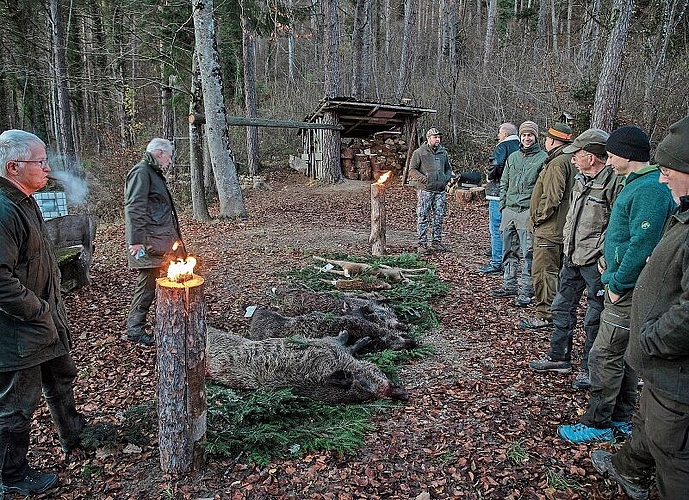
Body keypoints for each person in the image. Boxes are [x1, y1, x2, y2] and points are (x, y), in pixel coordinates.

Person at [591, 115, 689, 500]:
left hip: (673, 366)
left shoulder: (651, 191)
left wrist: (650, 339)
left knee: (674, 451)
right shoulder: (681, 210)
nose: (662, 180)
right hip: (661, 368)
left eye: (668, 172)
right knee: (649, 423)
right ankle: (628, 469)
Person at [558, 125, 676, 444]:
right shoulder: (637, 183)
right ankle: (621, 418)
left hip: (626, 290)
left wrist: (616, 282)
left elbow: (643, 243)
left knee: (605, 353)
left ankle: (598, 422)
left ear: (626, 155)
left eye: (610, 155)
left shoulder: (649, 189)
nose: (607, 161)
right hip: (625, 283)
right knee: (623, 355)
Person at [0, 129, 85, 495]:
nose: (48, 167)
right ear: (13, 166)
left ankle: (75, 437)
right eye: (40, 161)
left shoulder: (25, 199)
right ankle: (11, 476)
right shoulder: (4, 210)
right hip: (18, 330)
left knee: (61, 377)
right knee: (16, 408)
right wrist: (36, 309)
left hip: (43, 322)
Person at [528, 129, 623, 390]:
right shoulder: (582, 178)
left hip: (595, 262)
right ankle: (559, 357)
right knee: (561, 307)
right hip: (572, 257)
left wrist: (601, 254)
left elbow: (616, 226)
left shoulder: (614, 183)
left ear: (591, 158)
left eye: (577, 155)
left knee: (594, 317)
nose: (572, 160)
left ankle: (589, 368)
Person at [124, 138, 185, 345]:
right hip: (149, 243)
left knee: (165, 281)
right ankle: (134, 330)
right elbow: (134, 206)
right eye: (169, 157)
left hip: (160, 240)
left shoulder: (153, 173)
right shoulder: (142, 172)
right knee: (147, 286)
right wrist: (136, 241)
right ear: (159, 153)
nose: (170, 161)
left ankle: (173, 321)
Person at [520, 123, 575, 328]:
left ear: (551, 140)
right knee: (557, 273)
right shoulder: (571, 159)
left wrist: (537, 219)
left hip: (550, 230)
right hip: (562, 229)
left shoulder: (557, 162)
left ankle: (545, 316)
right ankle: (557, 313)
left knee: (544, 273)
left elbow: (552, 197)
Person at [491, 120, 547, 306]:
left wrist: (535, 211)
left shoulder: (543, 158)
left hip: (527, 212)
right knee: (508, 249)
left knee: (529, 252)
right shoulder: (513, 157)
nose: (526, 138)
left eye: (530, 135)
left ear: (536, 137)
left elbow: (543, 188)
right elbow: (504, 182)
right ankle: (509, 285)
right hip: (509, 210)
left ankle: (526, 290)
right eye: (524, 135)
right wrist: (503, 205)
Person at [479, 123, 520, 274]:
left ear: (505, 134)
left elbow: (495, 165)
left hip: (498, 193)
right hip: (516, 194)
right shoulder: (523, 146)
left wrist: (490, 178)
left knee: (496, 228)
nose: (498, 136)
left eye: (499, 133)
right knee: (512, 230)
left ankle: (496, 262)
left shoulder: (502, 146)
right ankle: (509, 263)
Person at [407, 128, 454, 254]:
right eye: (435, 137)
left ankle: (436, 242)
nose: (438, 139)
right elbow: (412, 170)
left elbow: (448, 169)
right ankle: (422, 244)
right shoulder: (419, 152)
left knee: (439, 216)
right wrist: (424, 179)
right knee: (423, 216)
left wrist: (446, 178)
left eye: (439, 137)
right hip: (425, 190)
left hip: (440, 190)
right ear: (428, 138)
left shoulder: (443, 152)